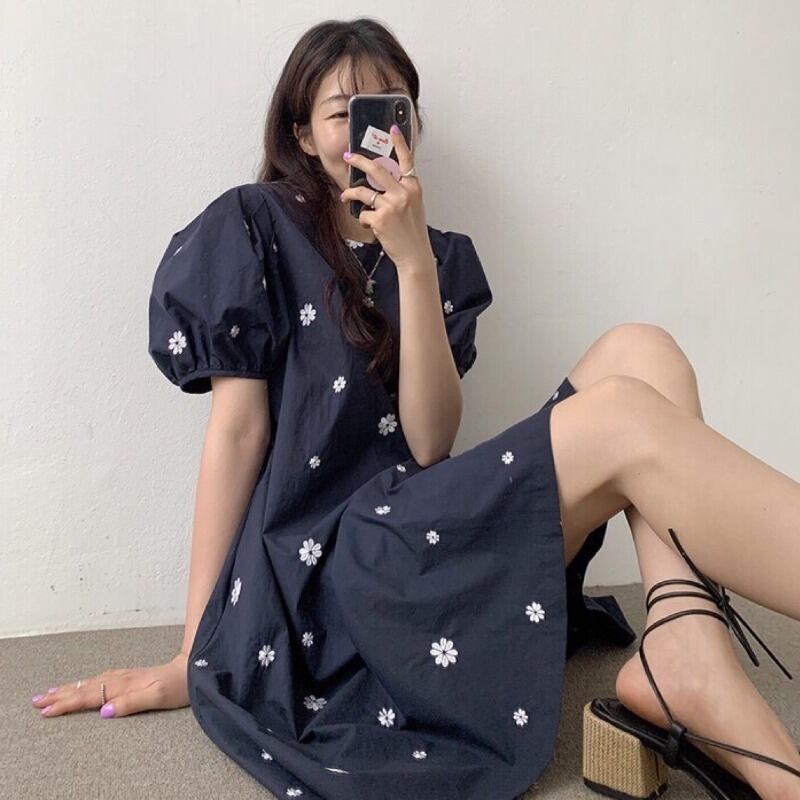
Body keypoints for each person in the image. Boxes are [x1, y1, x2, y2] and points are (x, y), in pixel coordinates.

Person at [32, 17, 800, 800]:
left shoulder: (440, 255)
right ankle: (692, 669)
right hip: (344, 572)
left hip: (418, 525)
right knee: (624, 417)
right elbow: (237, 434)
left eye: (390, 109)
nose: (370, 131)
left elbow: (430, 443)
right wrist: (194, 650)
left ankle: (684, 647)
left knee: (645, 353)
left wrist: (412, 261)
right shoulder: (252, 226)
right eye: (344, 112)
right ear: (302, 135)